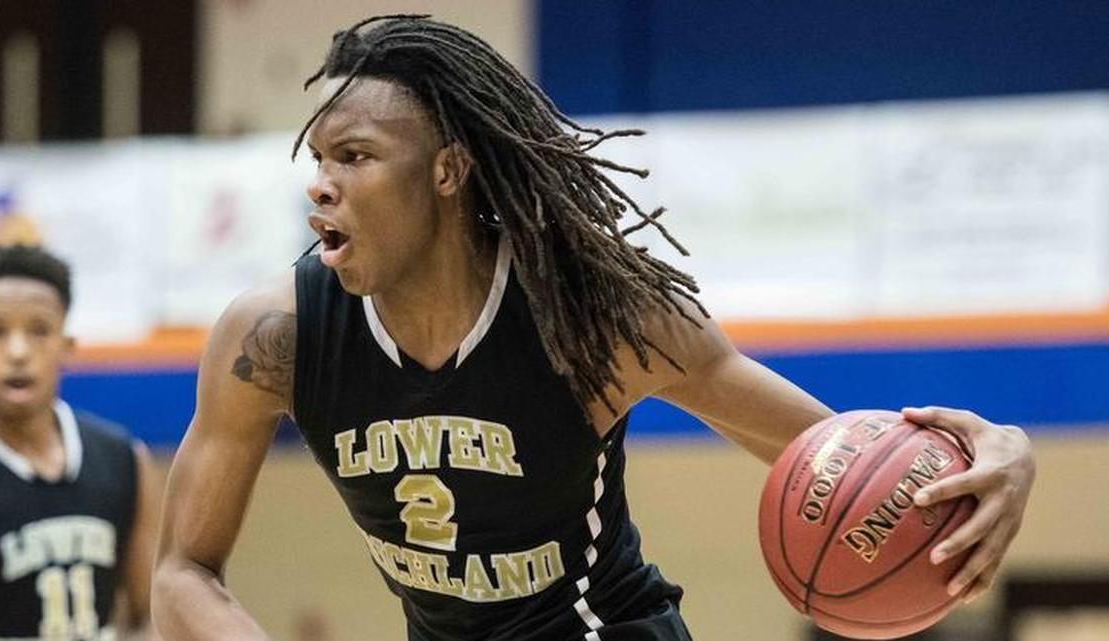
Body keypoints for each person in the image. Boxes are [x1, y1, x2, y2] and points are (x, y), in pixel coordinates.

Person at [152, 15, 1035, 641]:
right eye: (318, 160)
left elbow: (843, 460)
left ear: (450, 171)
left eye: (355, 157)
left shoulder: (596, 319)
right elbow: (181, 571)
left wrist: (997, 456)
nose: (320, 184)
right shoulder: (274, 338)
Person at [0, 244, 161, 641]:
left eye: (40, 330)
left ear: (67, 346)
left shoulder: (122, 459)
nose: (18, 352)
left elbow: (149, 616)